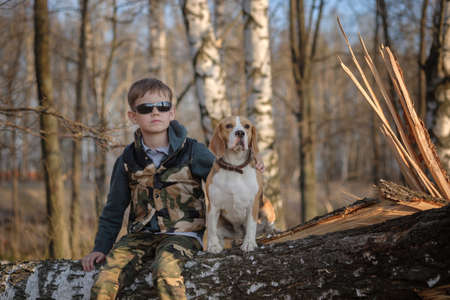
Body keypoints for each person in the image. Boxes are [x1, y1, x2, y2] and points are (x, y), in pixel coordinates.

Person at [82, 78, 263, 300]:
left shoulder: (193, 151)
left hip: (183, 236)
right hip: (139, 237)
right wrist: (100, 247)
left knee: (166, 271)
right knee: (105, 278)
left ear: (172, 112)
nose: (155, 112)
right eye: (146, 108)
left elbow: (229, 176)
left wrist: (253, 162)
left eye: (163, 106)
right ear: (133, 116)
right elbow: (114, 209)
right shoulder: (127, 160)